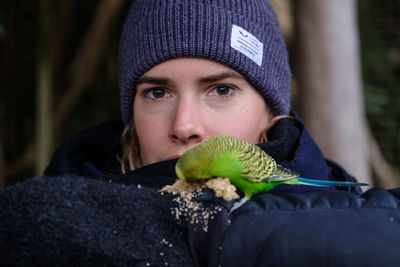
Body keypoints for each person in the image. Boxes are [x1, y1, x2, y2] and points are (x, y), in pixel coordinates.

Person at [1, 0, 400, 266]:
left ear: (271, 111)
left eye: (221, 90)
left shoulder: (356, 223)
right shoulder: (45, 227)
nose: (184, 126)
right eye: (157, 92)